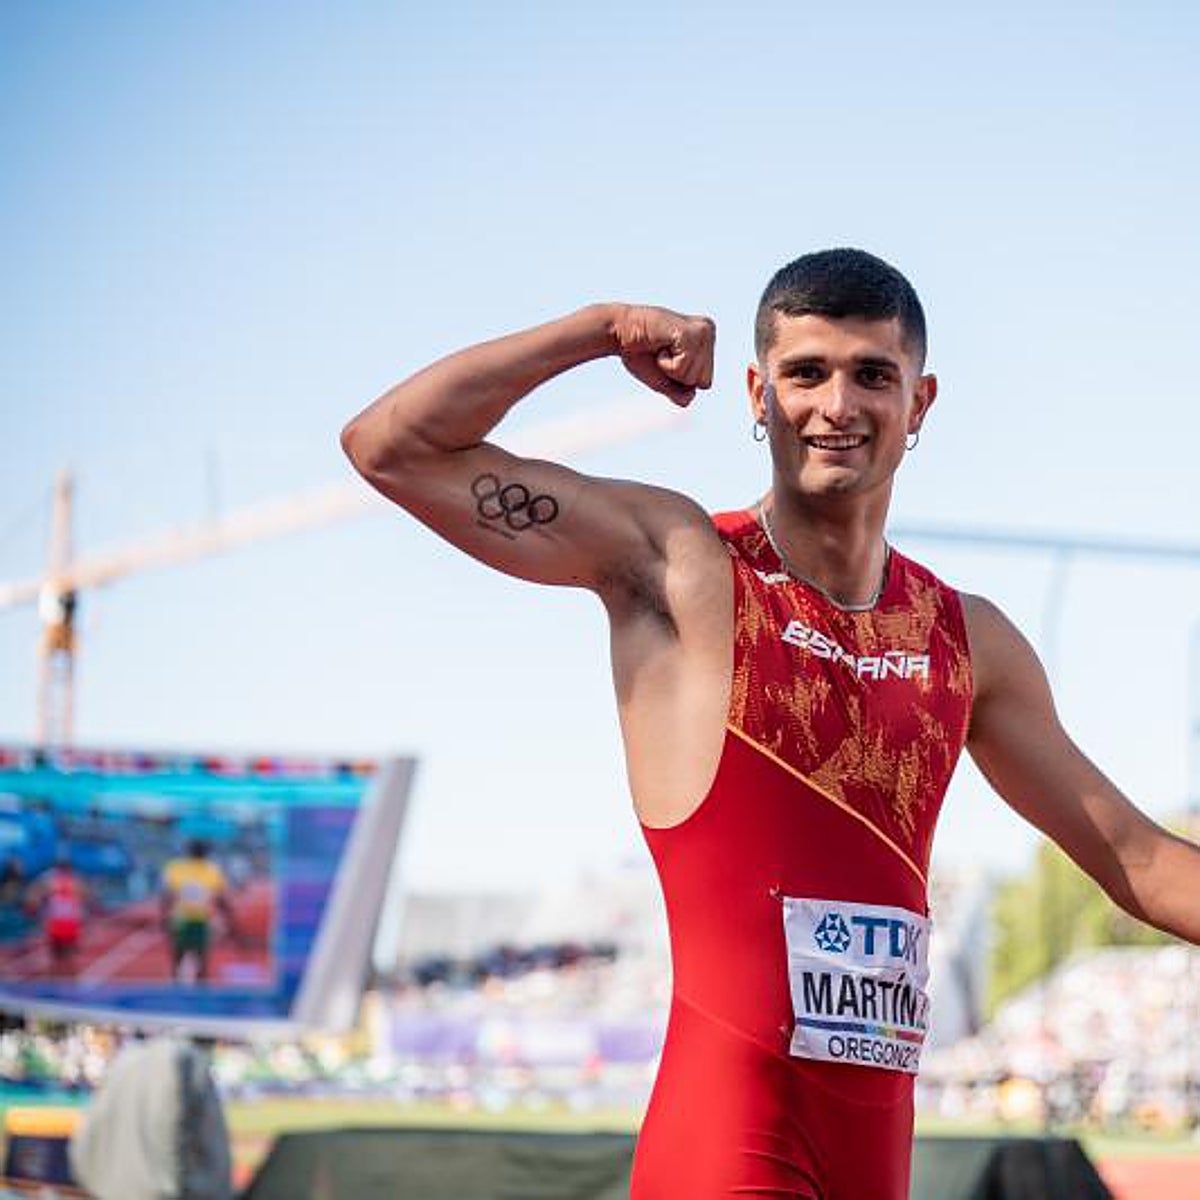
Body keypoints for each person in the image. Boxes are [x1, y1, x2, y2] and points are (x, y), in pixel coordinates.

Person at [340, 249, 1200, 1199]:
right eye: (805, 373)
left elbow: (1141, 862)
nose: (838, 404)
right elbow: (392, 448)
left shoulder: (969, 643)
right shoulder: (682, 568)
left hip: (876, 1154)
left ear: (920, 404)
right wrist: (599, 328)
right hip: (728, 1140)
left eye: (873, 374)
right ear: (757, 394)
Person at [161, 839, 238, 984]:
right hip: (201, 920)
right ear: (206, 854)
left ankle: (177, 988)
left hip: (180, 919)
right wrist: (230, 918)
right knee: (201, 958)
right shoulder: (212, 870)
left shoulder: (176, 869)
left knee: (178, 958)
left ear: (189, 852)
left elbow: (167, 896)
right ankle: (200, 991)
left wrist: (164, 917)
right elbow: (222, 899)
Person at [25, 853, 88, 974]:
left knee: (61, 954)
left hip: (63, 922)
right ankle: (64, 979)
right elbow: (35, 895)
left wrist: (34, 906)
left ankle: (60, 979)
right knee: (64, 954)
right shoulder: (69, 881)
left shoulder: (57, 881)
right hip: (65, 922)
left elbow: (35, 895)